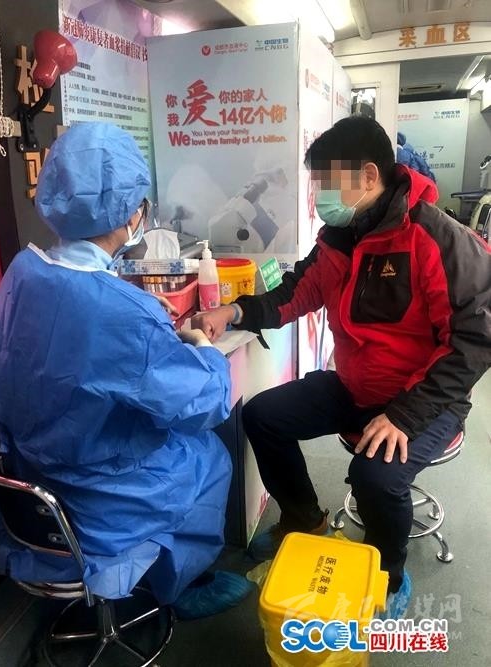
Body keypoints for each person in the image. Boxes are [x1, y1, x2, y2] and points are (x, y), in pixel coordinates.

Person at [192, 116, 491, 618]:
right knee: (263, 415)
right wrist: (235, 311)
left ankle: (388, 575)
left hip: (423, 401)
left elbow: (475, 339)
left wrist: (404, 416)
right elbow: (298, 292)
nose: (320, 196)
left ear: (369, 176)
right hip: (356, 385)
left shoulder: (435, 239)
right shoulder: (339, 236)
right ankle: (302, 518)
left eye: (327, 183)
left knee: (375, 477)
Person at [0, 122, 253, 618]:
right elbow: (204, 403)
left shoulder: (22, 274)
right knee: (209, 456)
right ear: (132, 213)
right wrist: (202, 349)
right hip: (100, 499)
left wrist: (135, 319)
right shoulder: (125, 314)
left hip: (29, 481)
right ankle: (179, 586)